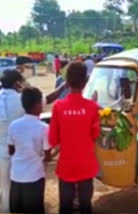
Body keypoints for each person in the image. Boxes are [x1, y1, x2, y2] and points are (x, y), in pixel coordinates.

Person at [49, 61, 100, 214]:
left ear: (67, 82)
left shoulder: (58, 106)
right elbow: (95, 134)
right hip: (86, 164)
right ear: (85, 82)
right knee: (85, 205)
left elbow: (53, 139)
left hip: (66, 165)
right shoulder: (93, 107)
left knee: (65, 206)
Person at [0, 70, 26, 213]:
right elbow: (42, 101)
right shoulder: (21, 100)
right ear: (17, 83)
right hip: (7, 156)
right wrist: (63, 87)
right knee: (7, 194)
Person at [8, 87, 50, 213]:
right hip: (34, 178)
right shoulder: (43, 127)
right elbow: (47, 155)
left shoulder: (13, 125)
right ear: (37, 105)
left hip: (16, 177)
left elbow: (11, 150)